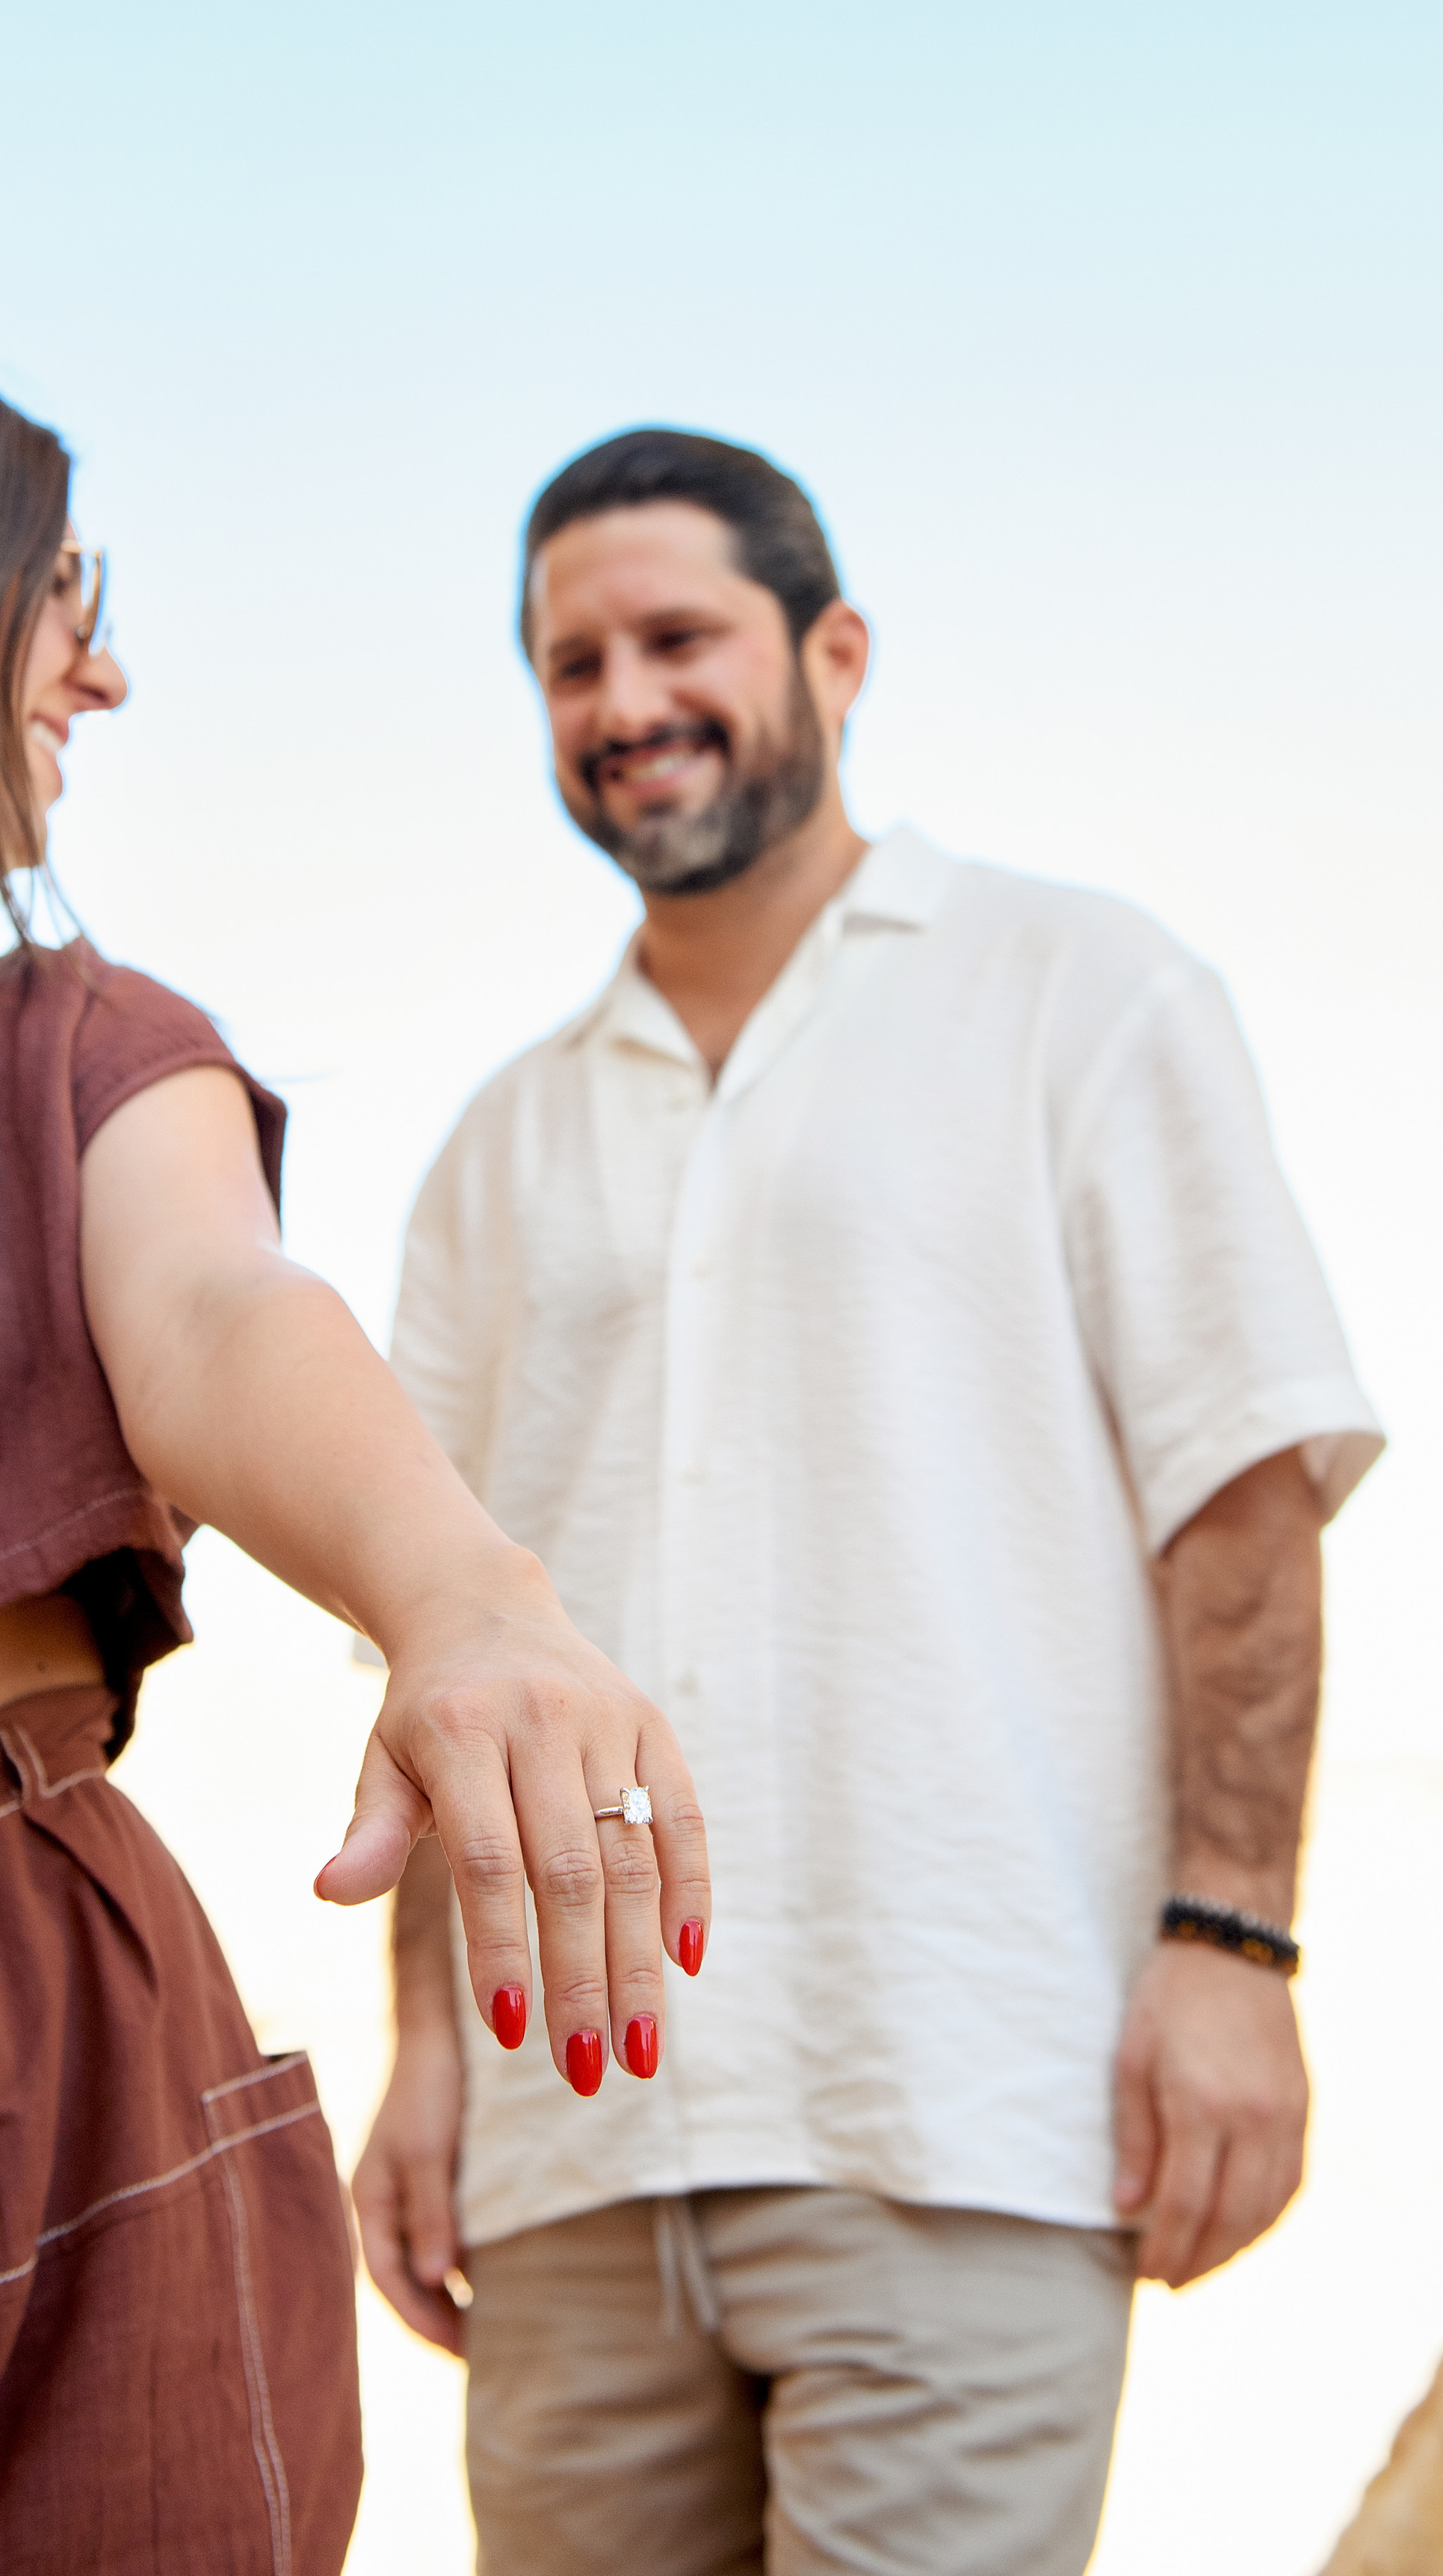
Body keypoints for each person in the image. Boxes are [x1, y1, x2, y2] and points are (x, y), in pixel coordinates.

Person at [0, 348, 709, 2576]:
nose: (110, 664)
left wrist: (464, 1595)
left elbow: (220, 1312)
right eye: (62, 587)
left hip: (13, 2060)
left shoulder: (84, 1045)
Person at [354, 427, 1384, 2576]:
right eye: (570, 664)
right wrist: (427, 2055)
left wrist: (1232, 1944)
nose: (623, 702)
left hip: (966, 2091)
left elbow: (1244, 1495)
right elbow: (439, 1650)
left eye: (676, 638)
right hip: (572, 2155)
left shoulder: (1076, 991)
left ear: (832, 651)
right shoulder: (496, 1147)